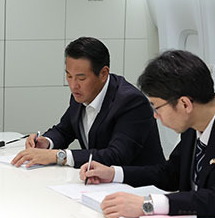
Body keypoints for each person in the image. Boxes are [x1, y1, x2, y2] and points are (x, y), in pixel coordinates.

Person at [80, 50, 215, 218]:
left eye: (157, 107)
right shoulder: (193, 124)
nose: (155, 116)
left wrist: (147, 205)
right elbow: (170, 173)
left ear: (185, 104)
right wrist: (113, 173)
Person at [12, 37, 164, 168]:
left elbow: (116, 155)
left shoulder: (130, 101)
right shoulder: (80, 94)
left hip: (138, 188)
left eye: (81, 78)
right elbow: (64, 130)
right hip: (100, 183)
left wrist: (59, 156)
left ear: (103, 73)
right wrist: (46, 142)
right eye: (69, 76)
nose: (73, 85)